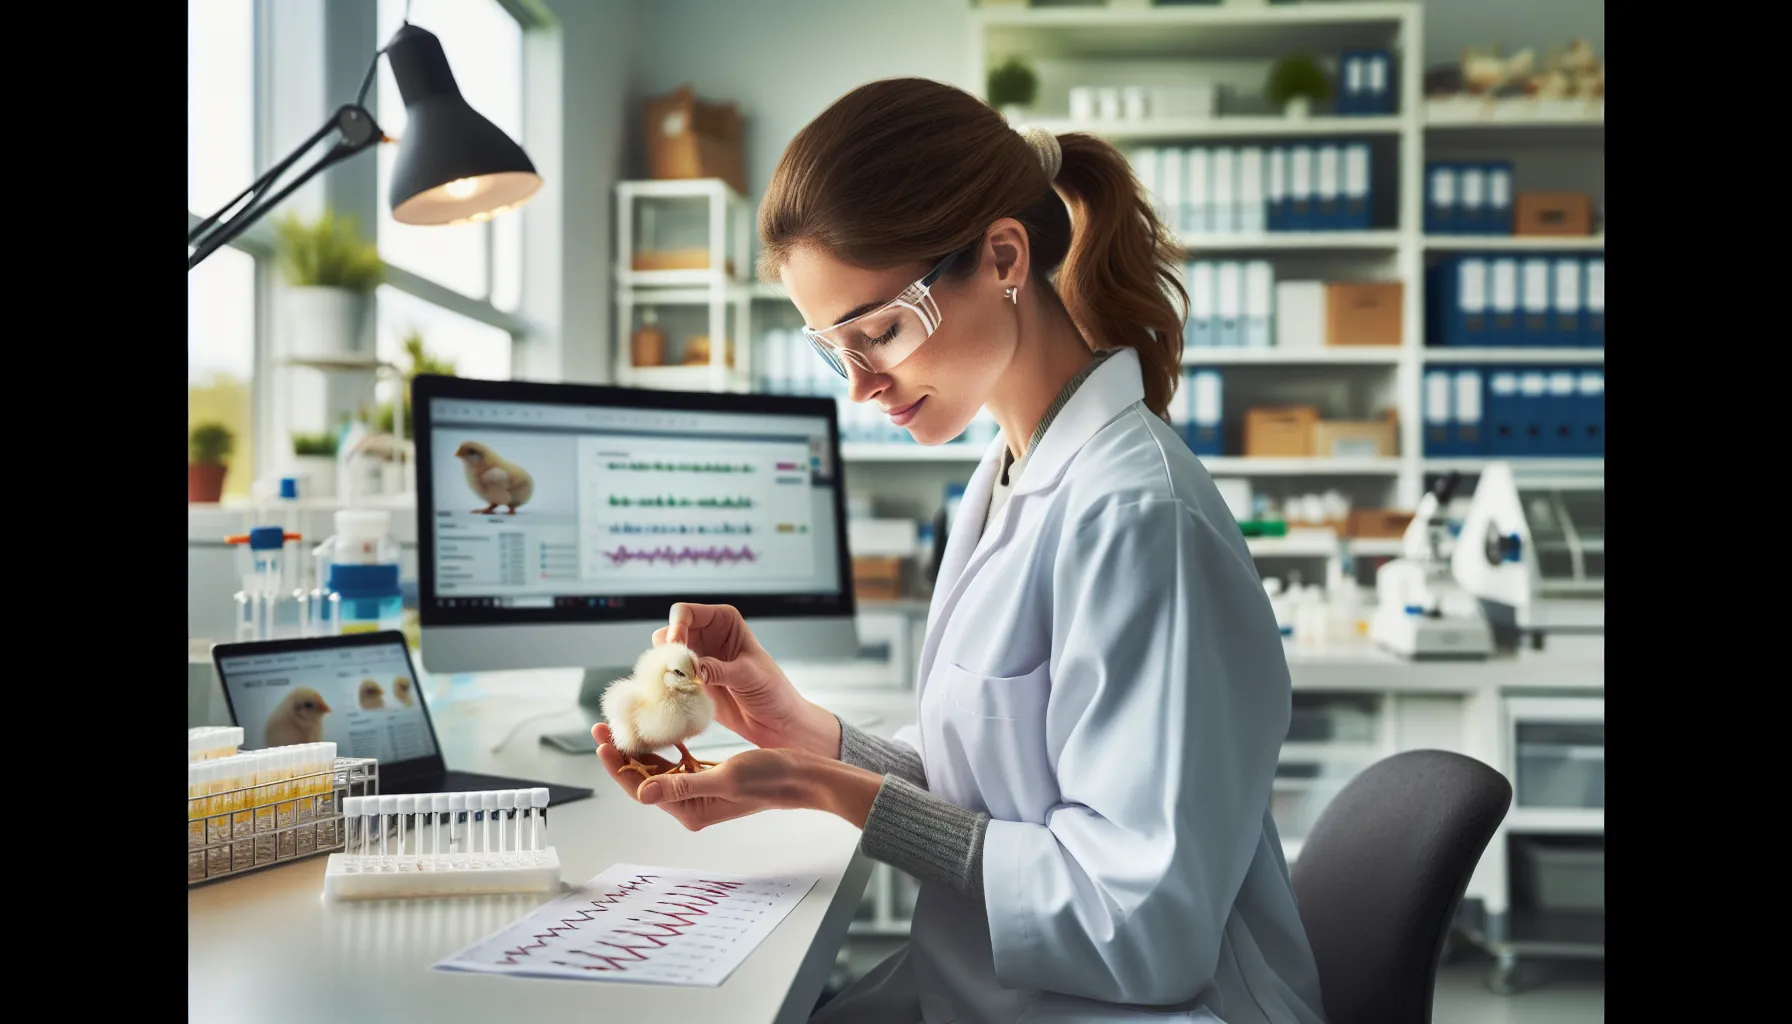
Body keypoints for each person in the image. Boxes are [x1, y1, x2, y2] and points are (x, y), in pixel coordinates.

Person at [592, 77, 1328, 1024]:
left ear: (1004, 257)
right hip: (989, 990)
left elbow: (1136, 927)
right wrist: (803, 735)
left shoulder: (1138, 518)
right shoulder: (1011, 472)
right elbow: (1006, 794)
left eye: (881, 332)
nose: (860, 386)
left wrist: (830, 791)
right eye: (833, 348)